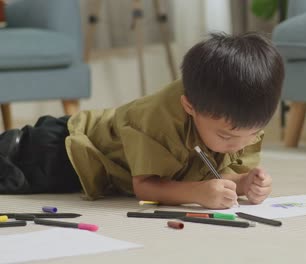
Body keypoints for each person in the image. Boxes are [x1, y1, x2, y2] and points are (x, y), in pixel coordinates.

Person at [0, 32, 285, 209]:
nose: (239, 145)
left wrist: (244, 182)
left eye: (255, 134)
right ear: (189, 107)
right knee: (11, 175)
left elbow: (218, 173)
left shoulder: (239, 119)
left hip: (94, 167)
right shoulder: (158, 118)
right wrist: (196, 193)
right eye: (226, 137)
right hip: (64, 150)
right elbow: (145, 186)